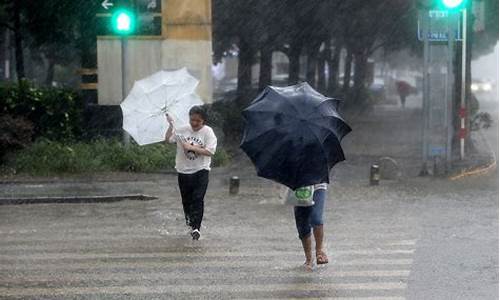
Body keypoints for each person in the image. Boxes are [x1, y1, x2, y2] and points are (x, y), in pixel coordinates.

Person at [165, 106, 217, 240]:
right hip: (183, 171)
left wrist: (191, 147)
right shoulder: (182, 130)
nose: (194, 123)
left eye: (198, 121)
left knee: (198, 198)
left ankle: (196, 228)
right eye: (192, 120)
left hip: (201, 170)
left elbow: (210, 152)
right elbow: (168, 139)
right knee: (186, 200)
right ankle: (190, 222)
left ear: (203, 121)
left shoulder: (208, 132)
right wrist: (171, 125)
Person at [294, 183, 329, 271]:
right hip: (299, 187)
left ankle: (319, 250)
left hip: (318, 184)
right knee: (302, 225)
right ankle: (309, 258)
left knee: (316, 219)